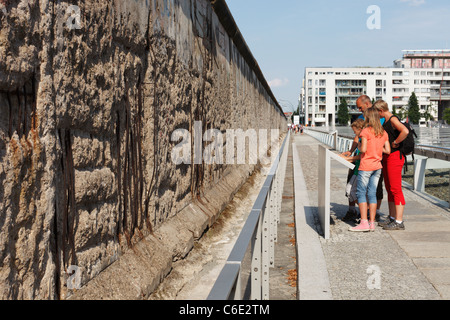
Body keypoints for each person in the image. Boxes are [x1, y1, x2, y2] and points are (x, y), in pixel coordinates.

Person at [342, 95, 384, 220]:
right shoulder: (361, 117)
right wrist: (351, 151)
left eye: (360, 107)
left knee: (374, 187)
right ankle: (353, 210)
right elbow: (357, 137)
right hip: (361, 155)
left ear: (367, 104)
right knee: (352, 180)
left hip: (372, 157)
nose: (359, 110)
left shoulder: (378, 118)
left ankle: (372, 212)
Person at [349, 108, 390, 232]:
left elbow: (363, 149)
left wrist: (361, 145)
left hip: (366, 166)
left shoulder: (366, 131)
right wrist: (377, 148)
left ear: (368, 118)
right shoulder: (383, 132)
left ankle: (364, 223)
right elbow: (387, 150)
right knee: (372, 194)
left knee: (361, 193)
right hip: (377, 167)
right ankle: (372, 223)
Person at [373, 100, 409, 230]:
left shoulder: (393, 119)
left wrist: (395, 142)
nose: (376, 115)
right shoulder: (386, 121)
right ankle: (392, 218)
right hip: (388, 157)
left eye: (377, 112)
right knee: (389, 188)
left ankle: (399, 221)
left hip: (395, 157)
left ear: (381, 110)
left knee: (395, 189)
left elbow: (405, 131)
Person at [341, 119, 365, 222]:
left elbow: (361, 156)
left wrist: (349, 159)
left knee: (351, 191)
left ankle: (364, 211)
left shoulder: (363, 140)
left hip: (360, 170)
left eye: (355, 131)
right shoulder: (360, 139)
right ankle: (361, 212)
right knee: (350, 192)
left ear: (360, 129)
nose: (354, 134)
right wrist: (349, 154)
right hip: (357, 169)